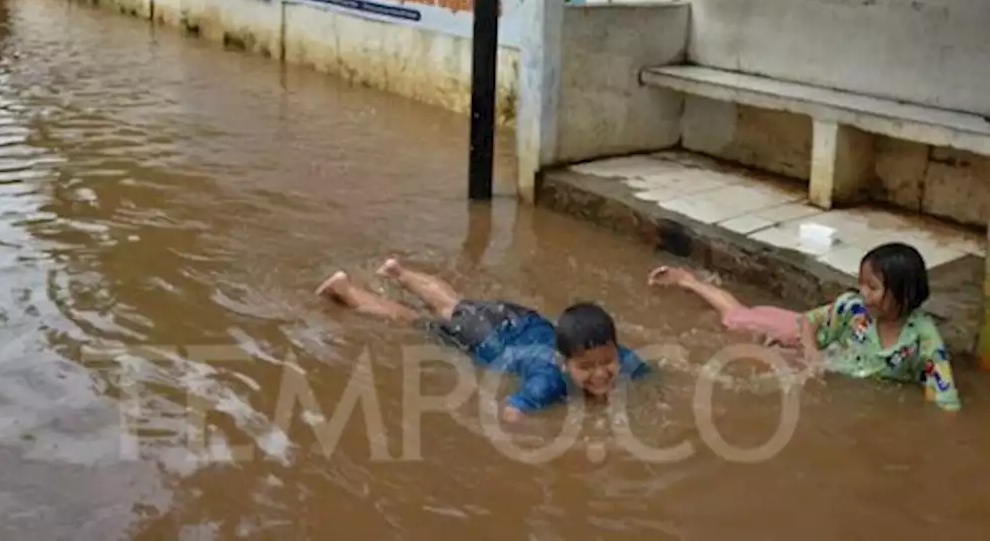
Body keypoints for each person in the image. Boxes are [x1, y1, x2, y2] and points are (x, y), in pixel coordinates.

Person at [316, 258, 651, 421]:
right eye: (586, 367)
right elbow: (512, 410)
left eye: (608, 362)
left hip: (520, 318)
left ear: (614, 348)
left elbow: (650, 374)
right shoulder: (548, 381)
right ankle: (343, 289)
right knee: (417, 321)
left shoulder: (617, 357)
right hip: (490, 342)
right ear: (564, 362)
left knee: (456, 304)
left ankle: (397, 272)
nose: (601, 372)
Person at [647, 242, 960, 411]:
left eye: (873, 287)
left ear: (905, 293)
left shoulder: (922, 339)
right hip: (802, 335)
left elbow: (944, 400)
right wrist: (809, 351)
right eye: (861, 284)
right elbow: (808, 321)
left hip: (831, 361)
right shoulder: (852, 308)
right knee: (736, 318)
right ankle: (687, 281)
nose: (863, 293)